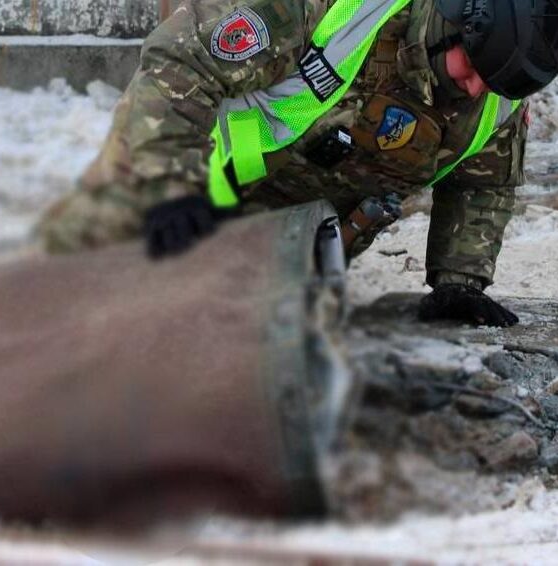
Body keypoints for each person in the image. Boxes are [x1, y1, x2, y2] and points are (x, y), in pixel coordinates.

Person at [39, 0, 558, 327]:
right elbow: (179, 59)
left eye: (493, 83)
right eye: (472, 70)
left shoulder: (495, 93)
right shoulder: (337, 12)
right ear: (457, 18)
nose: (475, 90)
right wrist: (168, 187)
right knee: (56, 308)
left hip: (285, 249)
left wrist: (459, 282)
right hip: (180, 194)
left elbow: (482, 182)